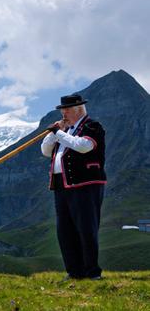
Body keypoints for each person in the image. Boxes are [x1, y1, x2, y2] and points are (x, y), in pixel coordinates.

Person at [41, 94, 106, 280]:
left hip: (85, 183)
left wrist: (58, 133)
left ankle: (92, 272)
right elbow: (45, 151)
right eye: (62, 110)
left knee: (86, 228)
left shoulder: (92, 126)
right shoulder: (65, 131)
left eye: (67, 110)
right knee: (65, 230)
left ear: (79, 109)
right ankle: (74, 271)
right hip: (61, 184)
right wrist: (52, 135)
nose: (63, 113)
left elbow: (84, 146)